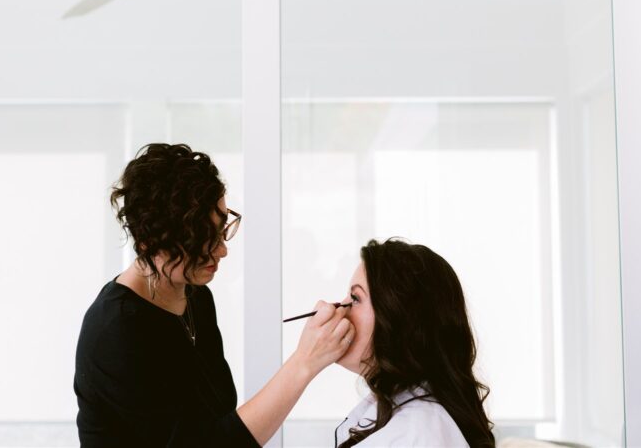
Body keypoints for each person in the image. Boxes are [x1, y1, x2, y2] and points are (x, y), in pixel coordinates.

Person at [74, 143, 354, 447]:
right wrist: (304, 362)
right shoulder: (116, 330)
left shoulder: (196, 297)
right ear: (150, 242)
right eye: (201, 241)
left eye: (220, 230)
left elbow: (220, 421)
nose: (221, 250)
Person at [334, 239, 495, 448]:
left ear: (398, 320)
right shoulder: (404, 418)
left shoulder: (414, 434)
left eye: (355, 298)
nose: (339, 309)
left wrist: (305, 361)